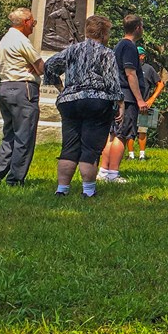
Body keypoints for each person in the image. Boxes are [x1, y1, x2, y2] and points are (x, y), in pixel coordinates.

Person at [43, 14, 124, 198]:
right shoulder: (106, 53)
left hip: (69, 101)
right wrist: (120, 103)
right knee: (90, 148)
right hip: (96, 102)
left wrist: (61, 88)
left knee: (69, 146)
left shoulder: (71, 50)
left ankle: (62, 189)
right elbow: (112, 81)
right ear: (104, 33)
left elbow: (49, 66)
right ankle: (88, 191)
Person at [0, 8, 44, 186]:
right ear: (25, 22)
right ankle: (15, 180)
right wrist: (34, 68)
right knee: (24, 136)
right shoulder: (21, 41)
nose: (33, 26)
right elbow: (40, 67)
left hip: (5, 87)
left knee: (10, 135)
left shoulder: (5, 39)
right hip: (23, 88)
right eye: (32, 22)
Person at [98, 15, 148, 183]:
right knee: (122, 134)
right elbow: (130, 73)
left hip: (118, 96)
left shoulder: (119, 45)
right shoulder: (128, 46)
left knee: (112, 134)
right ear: (137, 28)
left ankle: (104, 171)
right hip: (127, 98)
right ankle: (113, 173)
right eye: (142, 26)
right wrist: (140, 99)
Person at [127, 46, 165, 160]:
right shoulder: (129, 68)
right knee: (129, 129)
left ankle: (142, 155)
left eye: (137, 55)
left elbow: (160, 84)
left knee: (142, 130)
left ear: (142, 56)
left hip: (144, 104)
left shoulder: (148, 69)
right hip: (130, 103)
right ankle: (131, 155)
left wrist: (152, 99)